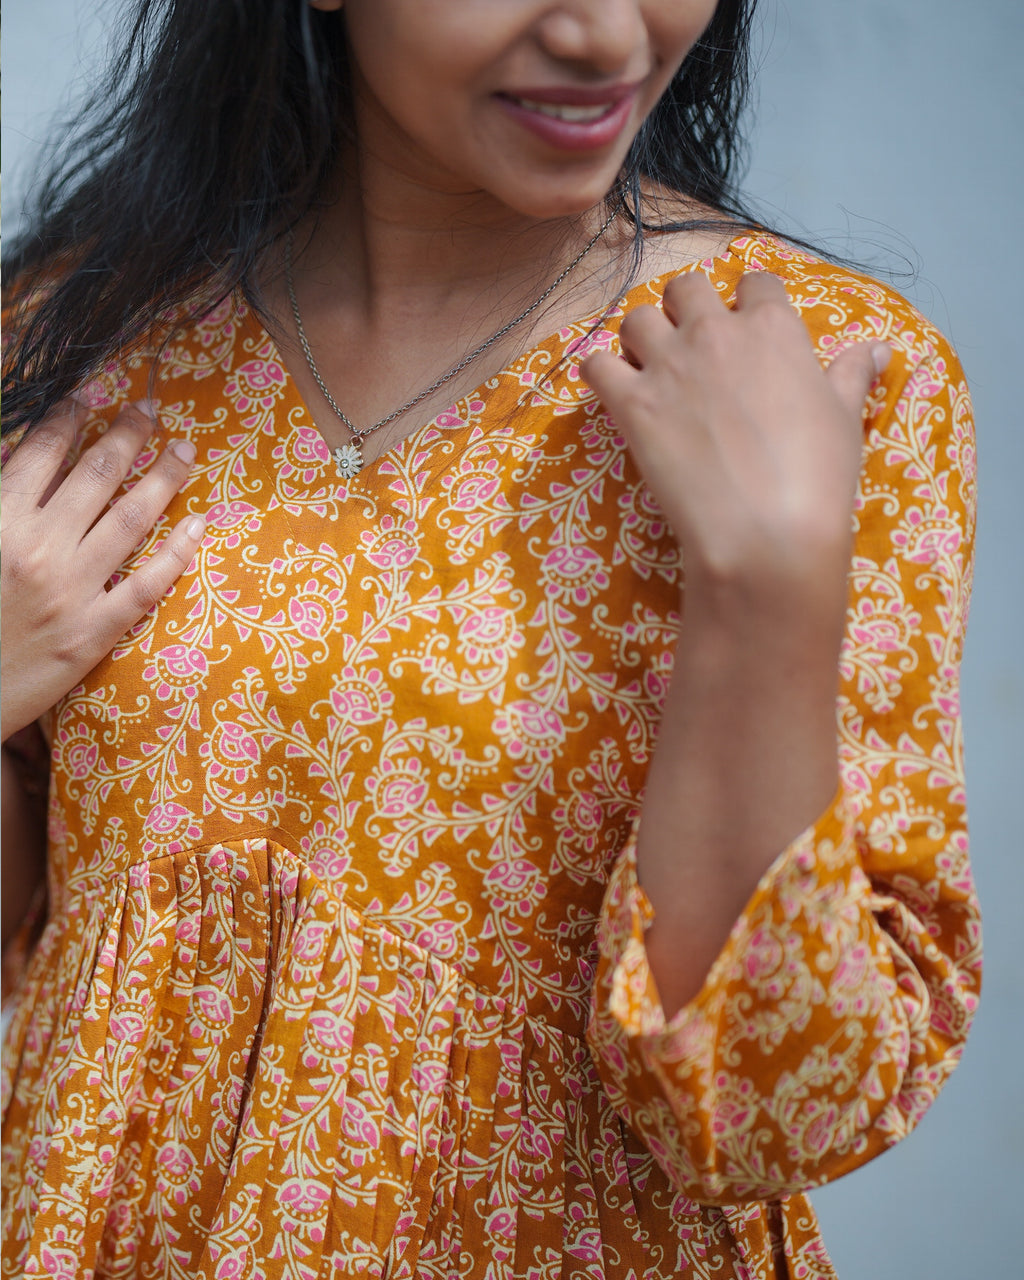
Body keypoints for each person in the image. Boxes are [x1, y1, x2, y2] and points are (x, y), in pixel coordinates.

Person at [0, 1, 981, 1276]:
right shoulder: (83, 339)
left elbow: (766, 1116)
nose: (603, 34)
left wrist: (765, 585)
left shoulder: (822, 375)